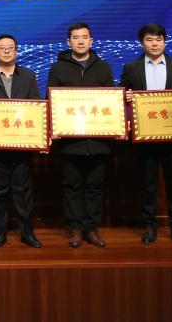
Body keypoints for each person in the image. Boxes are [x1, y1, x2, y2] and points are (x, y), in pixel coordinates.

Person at [119, 23, 172, 246]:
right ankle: (150, 227)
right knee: (148, 184)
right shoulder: (131, 68)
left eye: (159, 39)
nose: (155, 44)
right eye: (150, 40)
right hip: (144, 138)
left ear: (164, 41)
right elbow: (120, 94)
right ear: (142, 43)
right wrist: (126, 96)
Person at [46, 22, 115, 248]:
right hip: (70, 142)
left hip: (98, 140)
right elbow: (51, 102)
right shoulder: (58, 68)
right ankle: (75, 229)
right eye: (76, 38)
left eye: (84, 37)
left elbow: (111, 102)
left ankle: (91, 229)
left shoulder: (103, 67)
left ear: (91, 41)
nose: (80, 41)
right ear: (69, 42)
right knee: (72, 186)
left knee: (95, 186)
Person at [0, 33, 43, 249]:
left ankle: (27, 233)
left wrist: (40, 137)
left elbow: (37, 107)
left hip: (22, 146)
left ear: (16, 51)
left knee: (23, 192)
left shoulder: (28, 76)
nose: (6, 51)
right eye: (2, 48)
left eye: (10, 48)